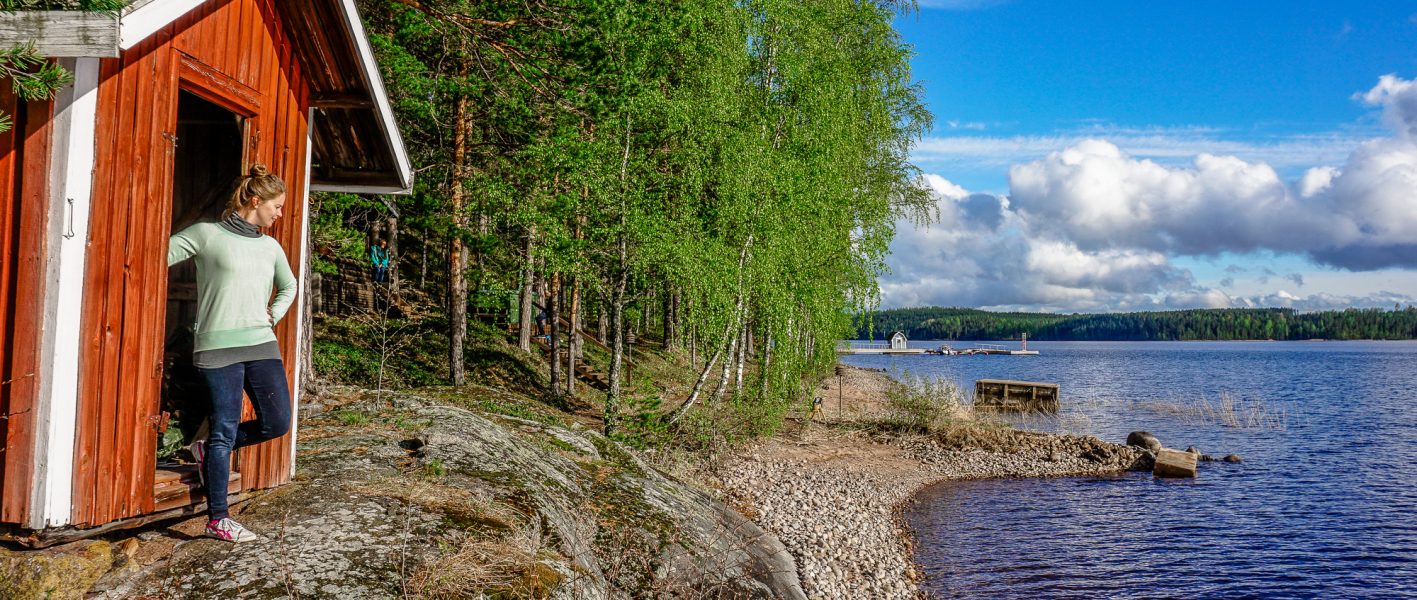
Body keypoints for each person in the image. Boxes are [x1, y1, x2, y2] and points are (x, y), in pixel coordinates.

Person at [168, 164, 296, 544]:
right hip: (217, 346)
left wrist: (270, 316)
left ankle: (209, 451)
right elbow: (149, 258)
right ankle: (218, 519)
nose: (279, 213)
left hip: (261, 343)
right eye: (275, 206)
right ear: (255, 201)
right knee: (224, 427)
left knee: (277, 421)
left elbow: (288, 287)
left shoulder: (270, 246)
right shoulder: (206, 236)